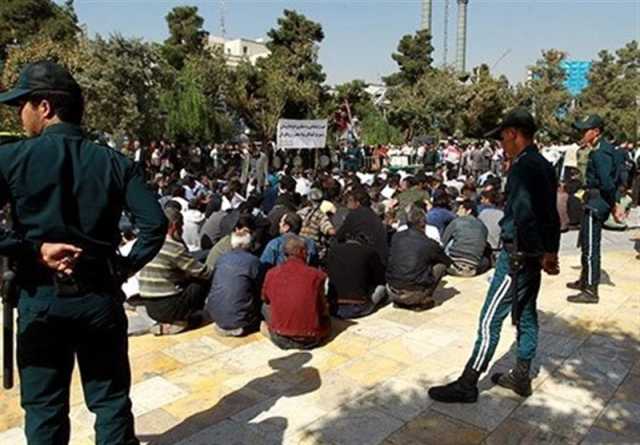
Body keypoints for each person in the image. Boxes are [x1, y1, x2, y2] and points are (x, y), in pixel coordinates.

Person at [0, 61, 167, 444]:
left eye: (23, 104)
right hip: (99, 297)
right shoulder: (114, 162)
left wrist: (34, 250)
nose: (20, 114)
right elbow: (154, 225)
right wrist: (123, 268)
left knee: (44, 408)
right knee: (109, 402)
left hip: (40, 299)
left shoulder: (12, 159)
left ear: (44, 107)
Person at [429, 107, 560, 404]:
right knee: (526, 315)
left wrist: (523, 252)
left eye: (502, 136)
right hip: (532, 255)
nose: (501, 143)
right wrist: (548, 251)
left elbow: (525, 216)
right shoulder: (543, 163)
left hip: (516, 256)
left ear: (513, 133)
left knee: (490, 319)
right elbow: (549, 215)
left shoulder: (522, 167)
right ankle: (522, 375)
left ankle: (468, 382)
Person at [567, 115, 624, 304]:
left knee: (591, 246)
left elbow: (608, 183)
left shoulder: (600, 154)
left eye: (585, 130)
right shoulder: (606, 149)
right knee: (586, 242)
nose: (582, 134)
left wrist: (615, 205)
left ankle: (591, 290)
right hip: (594, 200)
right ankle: (585, 279)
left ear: (596, 132)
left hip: (596, 202)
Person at [138, 206, 212, 335]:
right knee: (200, 283)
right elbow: (203, 272)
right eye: (181, 226)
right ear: (174, 225)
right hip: (168, 307)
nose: (182, 230)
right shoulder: (172, 246)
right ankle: (181, 320)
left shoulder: (147, 242)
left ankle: (165, 322)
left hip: (150, 307)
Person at [261, 236, 331, 349]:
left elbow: (265, 299)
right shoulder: (317, 275)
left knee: (264, 307)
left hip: (281, 337)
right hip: (312, 338)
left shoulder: (271, 273)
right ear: (303, 252)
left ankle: (270, 328)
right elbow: (323, 309)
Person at [386, 206, 452, 311]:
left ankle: (404, 300)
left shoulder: (396, 236)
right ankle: (422, 299)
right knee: (441, 266)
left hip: (391, 291)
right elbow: (446, 261)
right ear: (424, 224)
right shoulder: (429, 243)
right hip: (413, 295)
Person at [206, 230, 262, 337]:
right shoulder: (253, 261)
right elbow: (259, 287)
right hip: (240, 320)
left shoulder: (222, 258)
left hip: (215, 317)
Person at [326, 232, 387, 319]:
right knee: (382, 288)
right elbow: (381, 280)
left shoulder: (332, 250)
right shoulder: (370, 252)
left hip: (333, 307)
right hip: (359, 308)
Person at [335, 188, 389, 266]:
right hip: (381, 259)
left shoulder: (354, 214)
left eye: (349, 201)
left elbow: (339, 236)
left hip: (368, 260)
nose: (347, 204)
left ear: (357, 203)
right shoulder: (373, 214)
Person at [442, 200, 491, 277]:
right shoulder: (483, 226)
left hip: (454, 263)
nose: (457, 212)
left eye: (460, 209)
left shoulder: (456, 222)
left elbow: (443, 241)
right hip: (473, 266)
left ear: (468, 211)